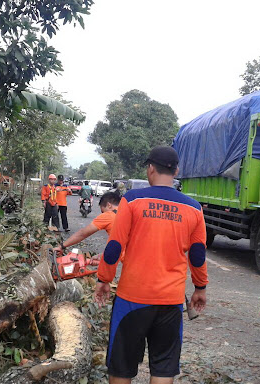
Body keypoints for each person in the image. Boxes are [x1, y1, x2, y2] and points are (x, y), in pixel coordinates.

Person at [94, 146, 208, 384]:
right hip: (171, 300)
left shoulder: (133, 200)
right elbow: (197, 253)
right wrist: (200, 288)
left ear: (150, 168)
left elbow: (114, 246)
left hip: (132, 299)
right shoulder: (194, 208)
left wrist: (104, 280)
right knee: (163, 367)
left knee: (122, 366)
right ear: (176, 170)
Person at [53, 191, 121, 254]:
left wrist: (62, 246)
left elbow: (82, 234)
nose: (103, 213)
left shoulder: (109, 215)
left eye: (103, 211)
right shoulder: (128, 212)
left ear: (109, 205)